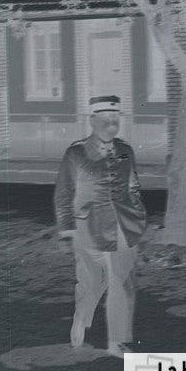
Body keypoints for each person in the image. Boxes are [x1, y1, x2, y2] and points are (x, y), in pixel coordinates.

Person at [54, 95, 147, 357]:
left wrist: (137, 210)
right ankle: (81, 315)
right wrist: (66, 231)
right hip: (88, 227)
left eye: (116, 120)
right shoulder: (76, 152)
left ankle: (117, 340)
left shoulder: (126, 151)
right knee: (93, 281)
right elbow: (63, 193)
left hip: (122, 225)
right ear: (92, 121)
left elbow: (134, 185)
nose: (111, 125)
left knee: (122, 282)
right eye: (106, 120)